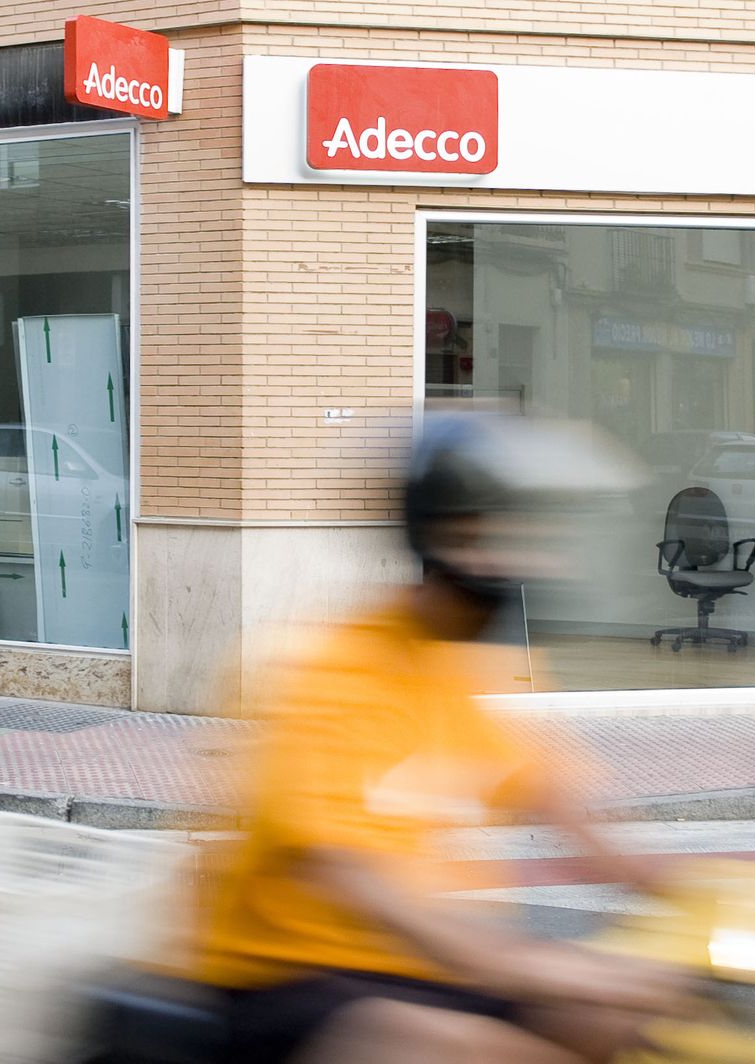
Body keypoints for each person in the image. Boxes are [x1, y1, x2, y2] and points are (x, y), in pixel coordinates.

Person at [185, 409, 689, 1064]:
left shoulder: (465, 672)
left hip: (424, 965)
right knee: (483, 1051)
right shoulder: (323, 670)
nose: (531, 560)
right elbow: (348, 875)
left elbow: (561, 803)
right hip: (291, 977)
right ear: (438, 538)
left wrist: (691, 888)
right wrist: (526, 965)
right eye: (498, 536)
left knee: (621, 1020)